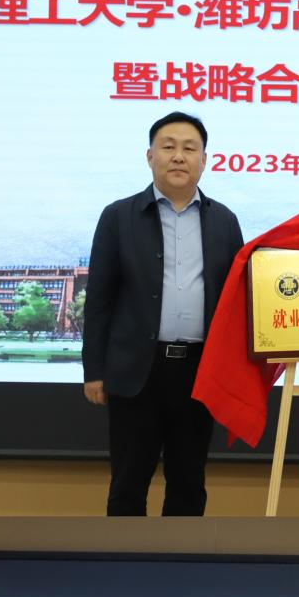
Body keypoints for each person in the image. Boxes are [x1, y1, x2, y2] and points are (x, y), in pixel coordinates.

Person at [82, 112, 244, 516]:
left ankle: (183, 560)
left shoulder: (224, 221)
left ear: (204, 160)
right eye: (168, 146)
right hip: (136, 371)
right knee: (127, 484)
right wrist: (94, 370)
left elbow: (236, 303)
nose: (178, 156)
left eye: (189, 148)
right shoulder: (118, 217)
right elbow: (99, 299)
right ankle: (124, 558)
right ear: (150, 156)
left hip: (199, 372)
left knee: (188, 484)